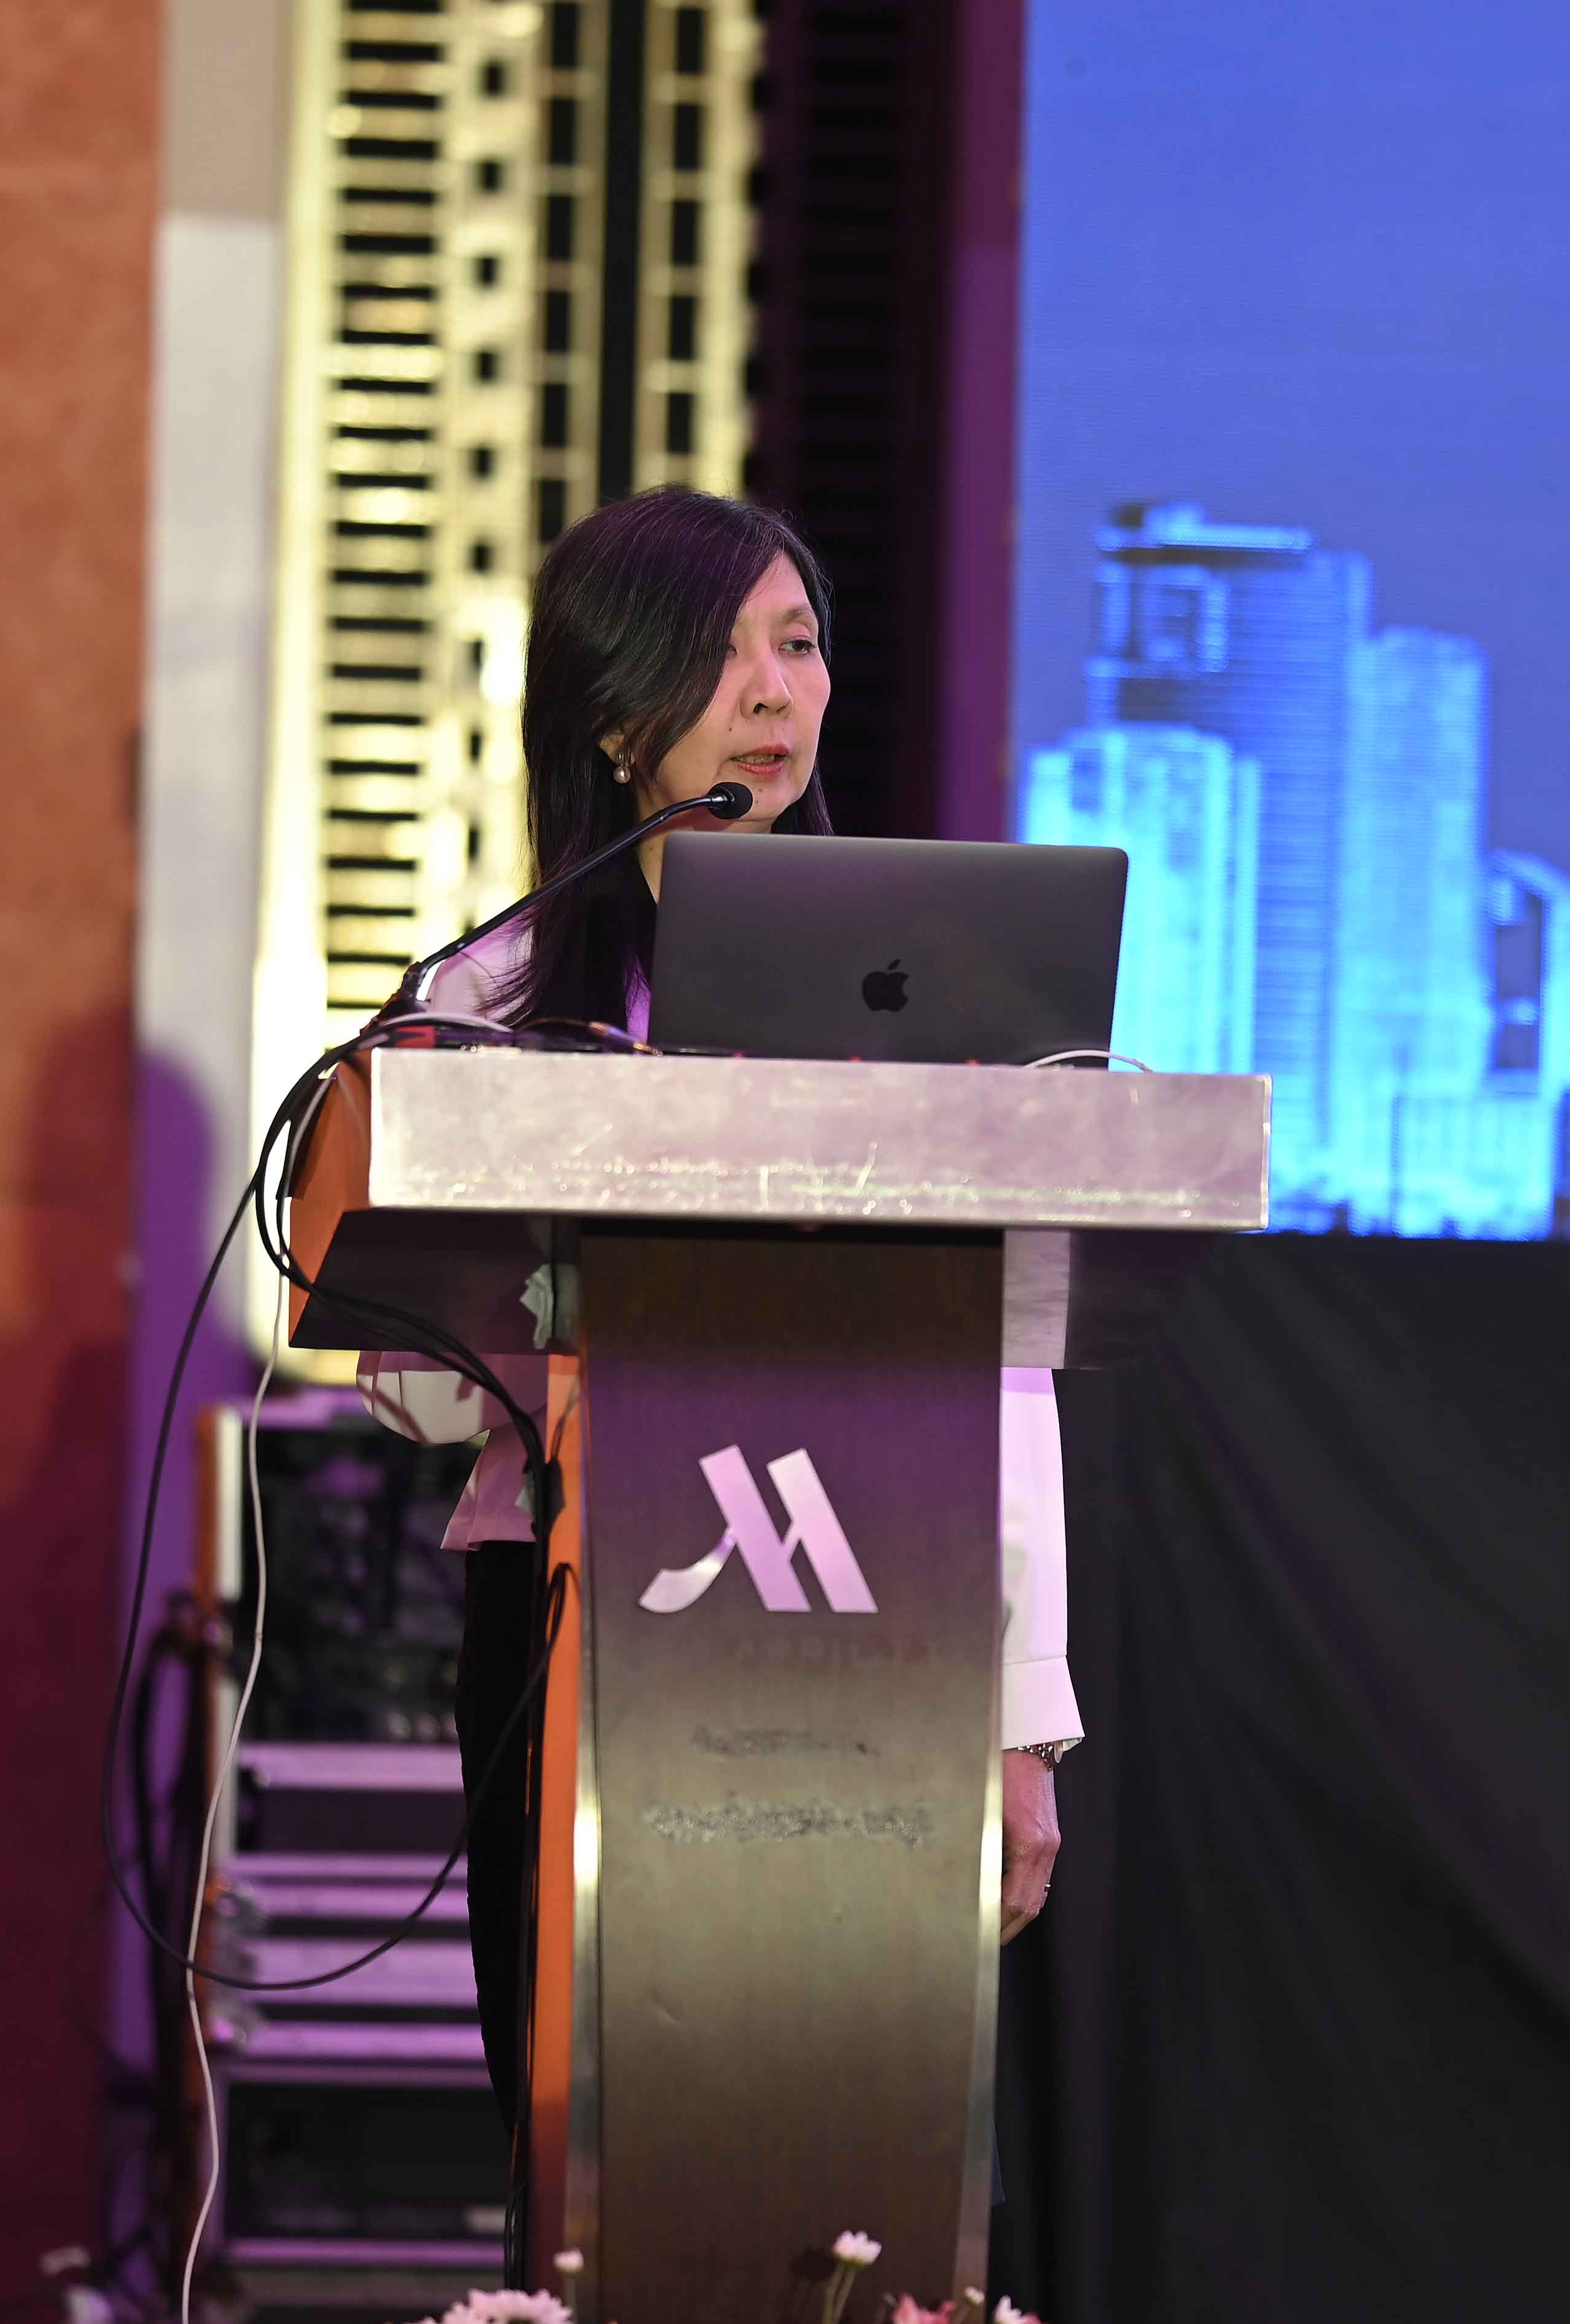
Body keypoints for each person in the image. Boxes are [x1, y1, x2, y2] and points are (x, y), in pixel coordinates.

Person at [354, 487, 1076, 2123]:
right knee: (587, 2130)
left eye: (798, 644)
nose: (774, 688)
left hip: (879, 1610)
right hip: (570, 1611)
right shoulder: (491, 1001)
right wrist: (563, 1303)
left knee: (838, 2146)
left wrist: (1024, 1718)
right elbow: (406, 1375)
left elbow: (1007, 1362)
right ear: (617, 720)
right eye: (722, 650)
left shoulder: (931, 995)